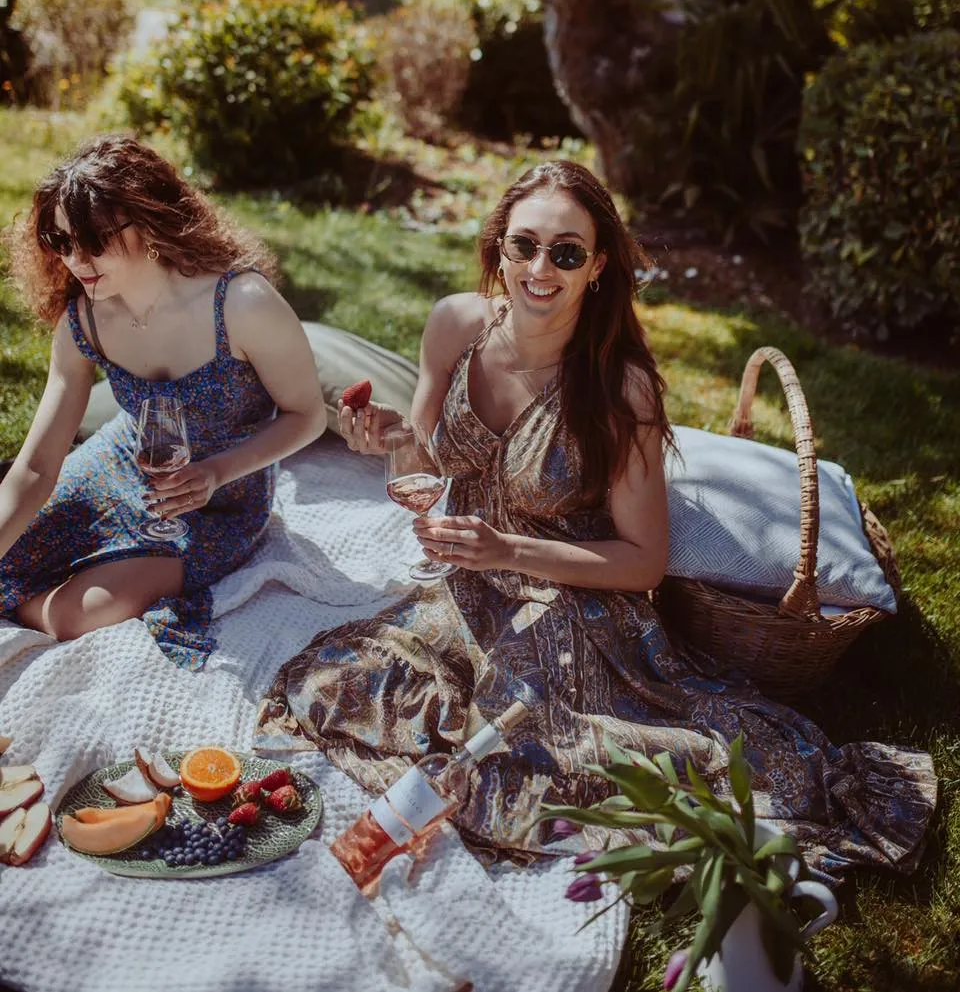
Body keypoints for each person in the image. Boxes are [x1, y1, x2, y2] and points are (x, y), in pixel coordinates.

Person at [257, 159, 936, 878]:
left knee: (534, 759)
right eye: (524, 245)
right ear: (499, 247)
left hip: (572, 600)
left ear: (598, 266)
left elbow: (642, 561)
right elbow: (427, 452)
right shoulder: (455, 324)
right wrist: (390, 438)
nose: (539, 268)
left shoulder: (620, 387)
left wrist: (505, 549)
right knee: (332, 685)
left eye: (566, 252)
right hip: (465, 580)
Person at [0, 134, 326, 668]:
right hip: (120, 464)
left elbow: (307, 416)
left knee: (78, 615)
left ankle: (24, 603)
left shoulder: (242, 304)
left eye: (94, 240)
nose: (76, 260)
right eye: (61, 242)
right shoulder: (83, 320)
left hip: (221, 500)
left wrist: (216, 472)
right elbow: (35, 468)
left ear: (149, 221)